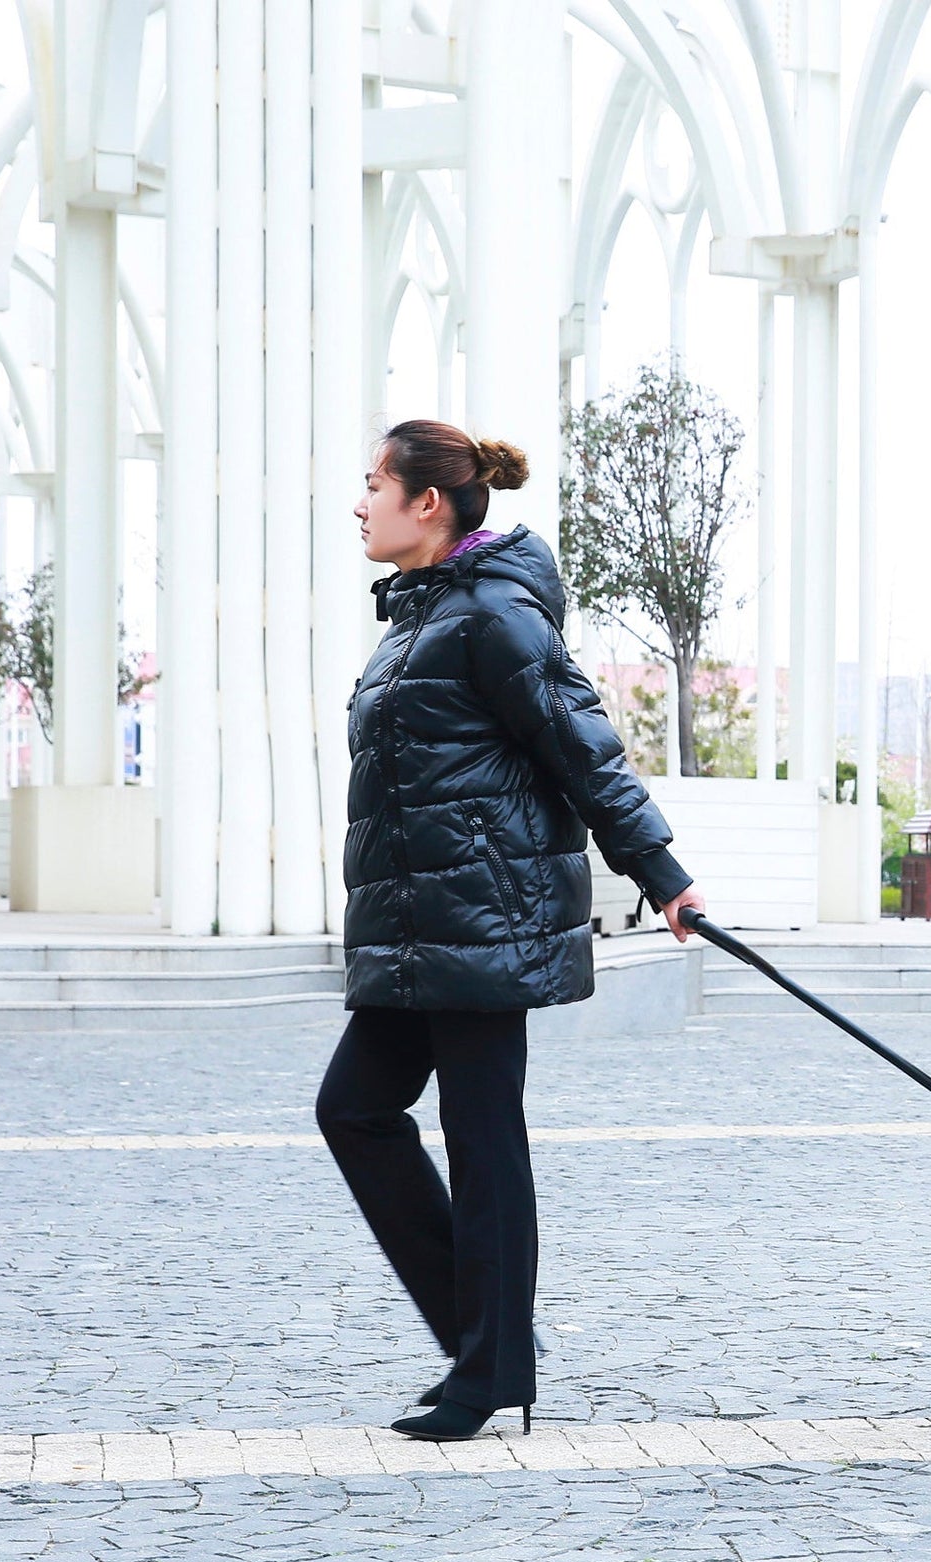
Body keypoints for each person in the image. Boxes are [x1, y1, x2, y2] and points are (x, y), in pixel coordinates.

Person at [315, 419, 704, 1441]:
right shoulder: (419, 616)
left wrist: (661, 875)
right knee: (353, 1109)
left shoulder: (494, 617)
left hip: (485, 919)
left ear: (426, 503)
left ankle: (490, 1366)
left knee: (484, 1143)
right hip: (417, 926)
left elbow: (587, 750)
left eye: (373, 485)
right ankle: (492, 1343)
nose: (359, 504)